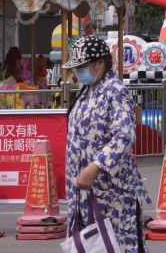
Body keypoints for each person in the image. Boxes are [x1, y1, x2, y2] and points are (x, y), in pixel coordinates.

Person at [64, 34, 151, 253]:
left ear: (100, 63)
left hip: (112, 193)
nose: (77, 73)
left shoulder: (116, 92)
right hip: (84, 193)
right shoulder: (86, 93)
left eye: (81, 67)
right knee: (90, 245)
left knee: (117, 244)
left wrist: (95, 167)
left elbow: (123, 136)